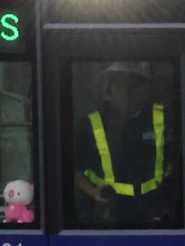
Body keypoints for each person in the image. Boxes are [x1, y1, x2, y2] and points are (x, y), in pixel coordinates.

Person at [74, 62, 177, 227]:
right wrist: (93, 192)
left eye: (135, 86)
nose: (128, 94)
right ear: (108, 90)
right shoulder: (88, 125)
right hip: (108, 215)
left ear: (146, 91)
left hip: (155, 212)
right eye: (120, 86)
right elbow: (72, 169)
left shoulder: (166, 119)